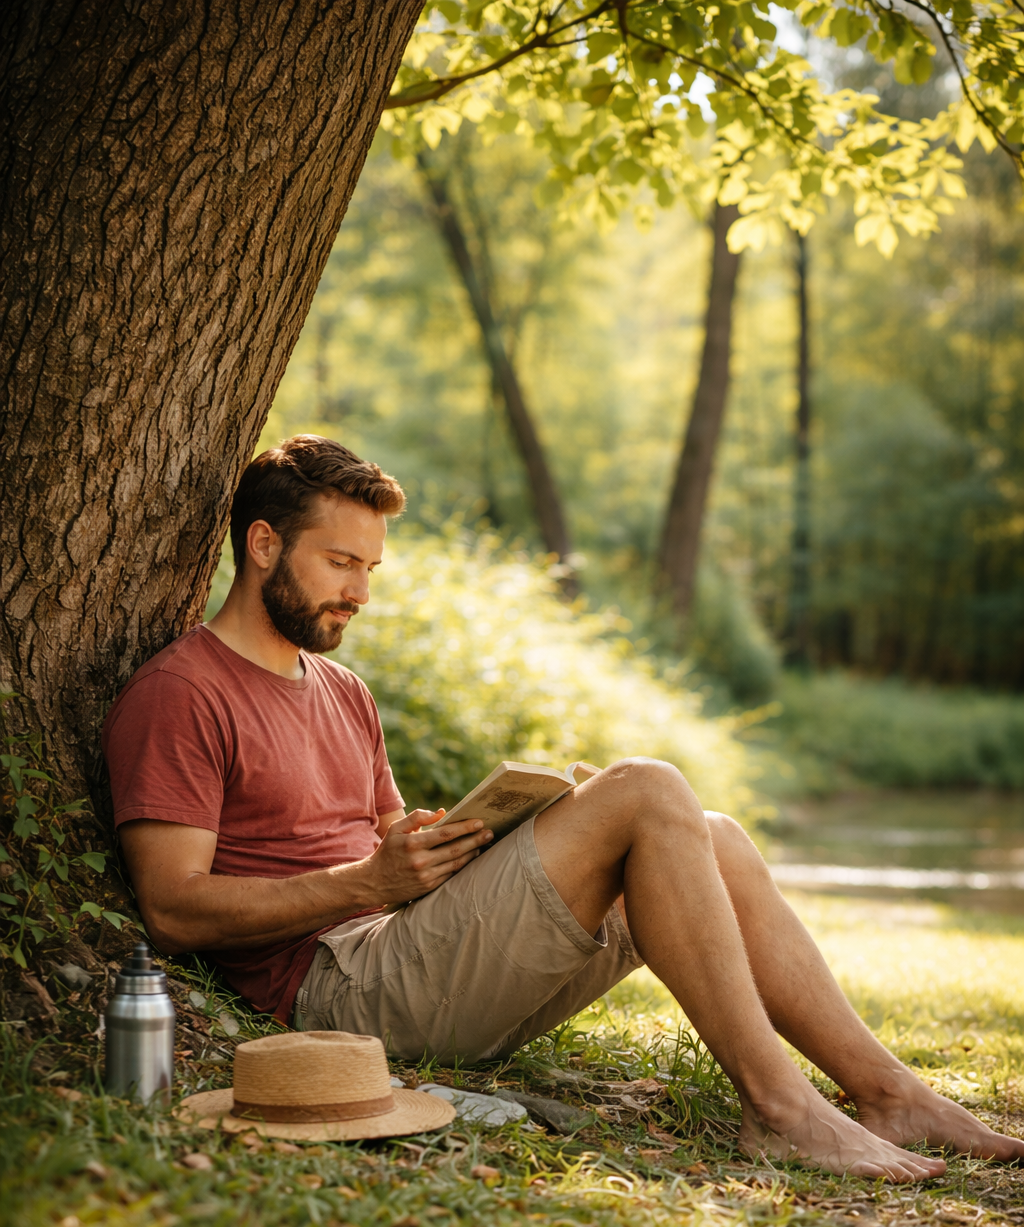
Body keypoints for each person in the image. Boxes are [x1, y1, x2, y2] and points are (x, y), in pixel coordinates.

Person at [103, 435, 1024, 1181]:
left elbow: (388, 842)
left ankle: (888, 1091)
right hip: (336, 995)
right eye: (340, 562)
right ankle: (781, 1111)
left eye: (371, 568)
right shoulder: (183, 692)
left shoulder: (341, 691)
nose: (360, 592)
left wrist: (503, 830)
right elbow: (174, 909)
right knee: (651, 790)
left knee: (711, 836)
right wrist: (365, 882)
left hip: (413, 946)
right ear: (264, 544)